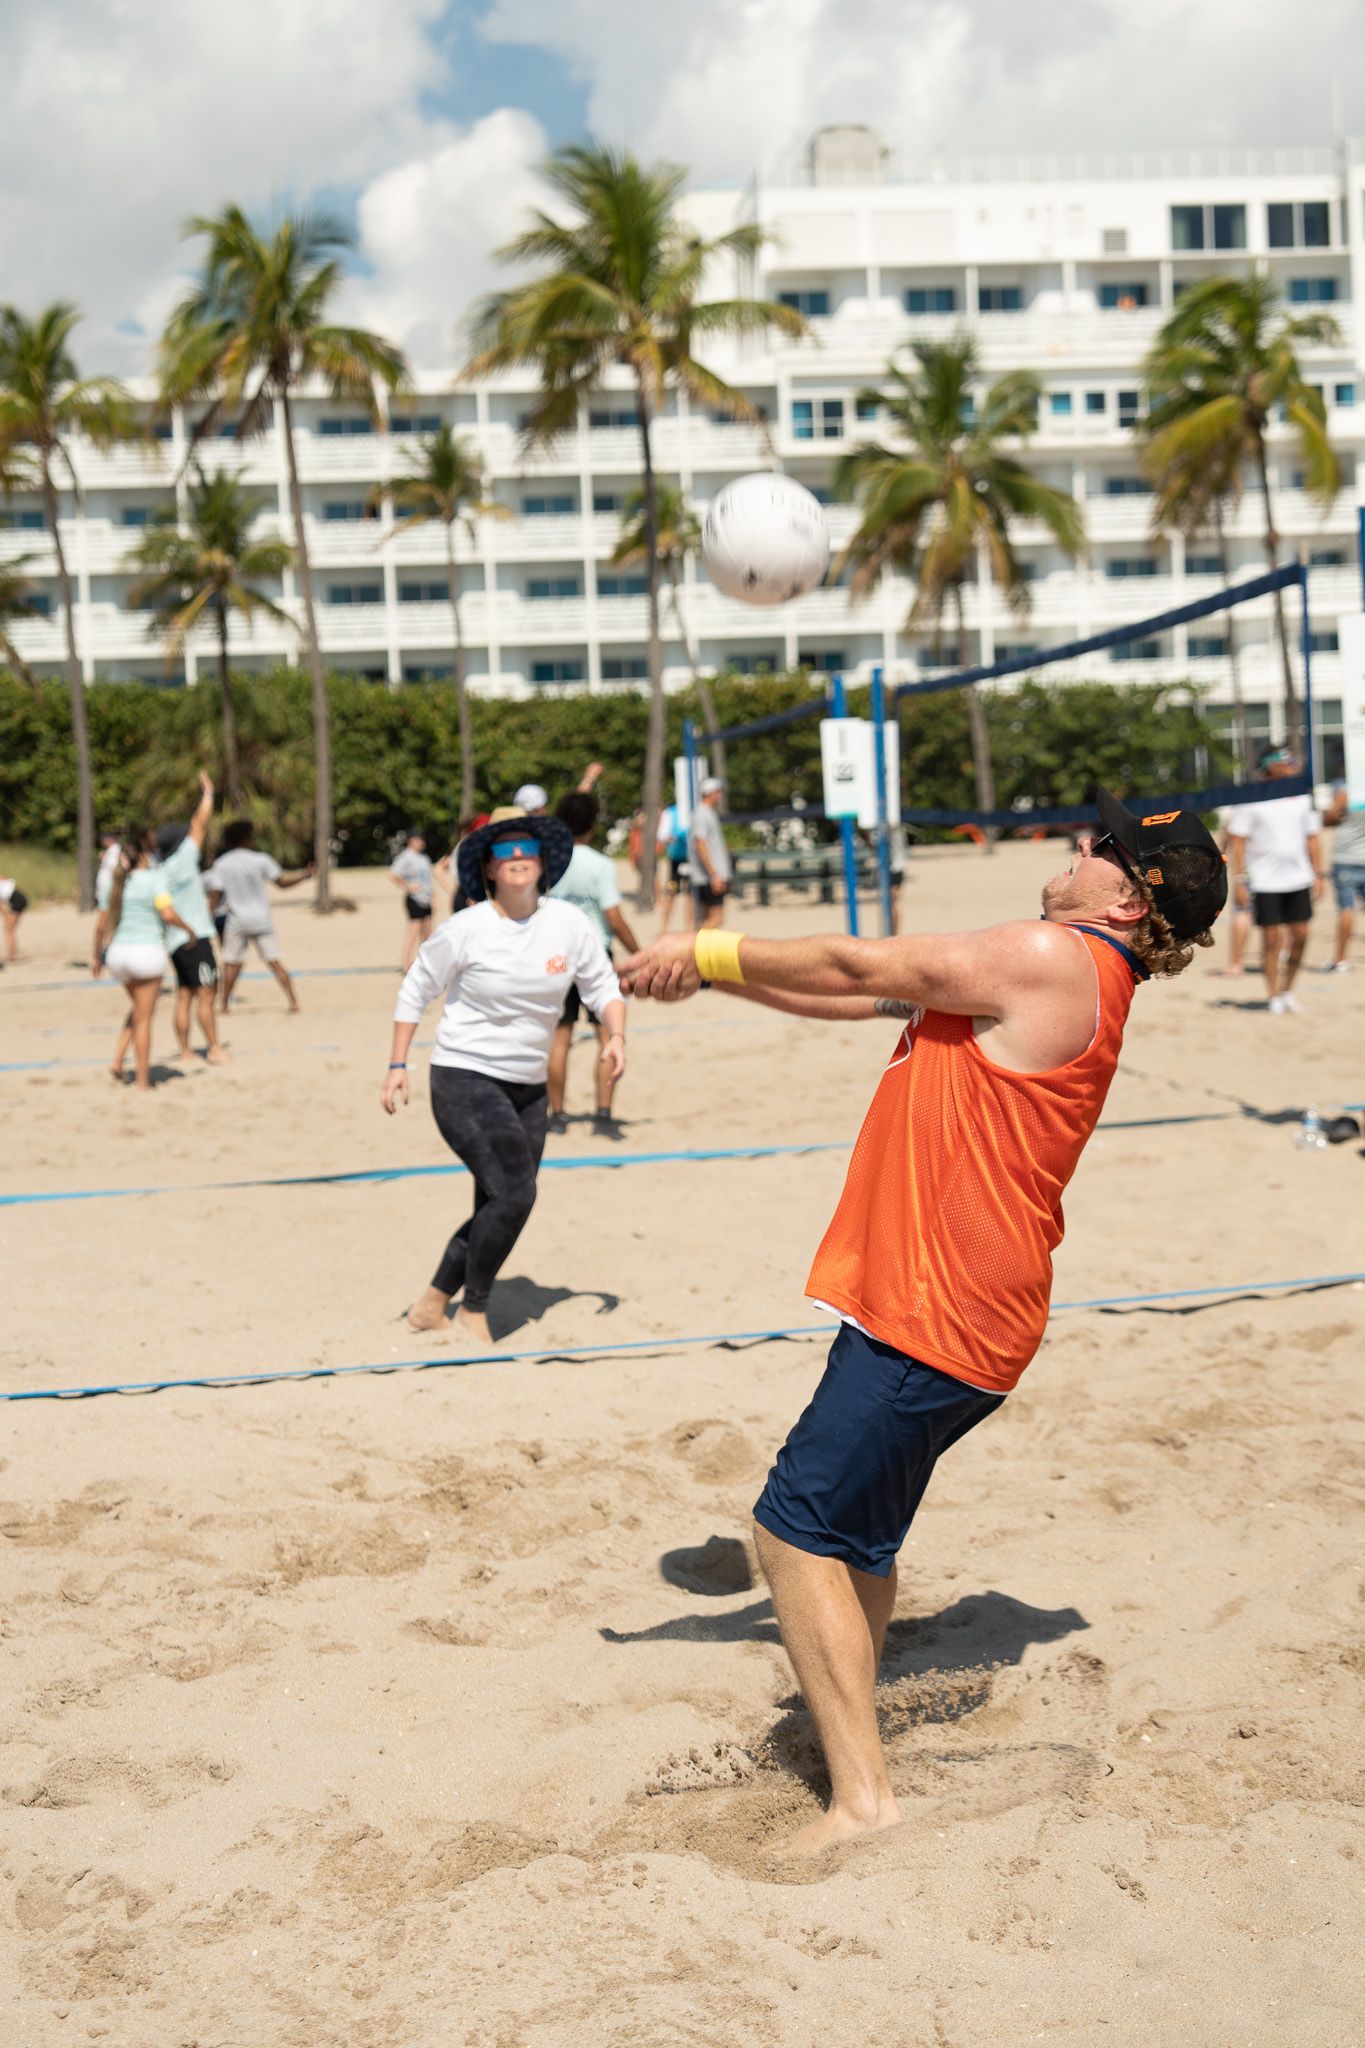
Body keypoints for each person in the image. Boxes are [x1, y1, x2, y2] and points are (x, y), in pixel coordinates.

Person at [622, 788, 1226, 1857]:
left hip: (937, 1314)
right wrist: (710, 974)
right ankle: (852, 1735)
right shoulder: (1069, 968)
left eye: (1098, 849)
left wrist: (706, 943)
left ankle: (863, 1801)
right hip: (965, 1311)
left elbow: (862, 967)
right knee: (854, 1538)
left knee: (789, 1530)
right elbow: (864, 1000)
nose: (1074, 848)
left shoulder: (1053, 955)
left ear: (1131, 900)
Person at [381, 809, 626, 1347]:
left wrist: (615, 1033)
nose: (517, 859)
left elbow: (603, 984)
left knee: (498, 1198)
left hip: (527, 1086)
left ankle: (431, 1303)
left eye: (527, 851)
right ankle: (475, 1309)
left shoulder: (567, 923)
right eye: (504, 853)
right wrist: (398, 1065)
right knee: (515, 1194)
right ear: (488, 871)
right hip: (464, 1076)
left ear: (543, 865)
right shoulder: (466, 929)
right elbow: (415, 990)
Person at [547, 790, 641, 1137]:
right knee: (608, 1035)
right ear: (591, 824)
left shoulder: (549, 859)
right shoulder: (599, 864)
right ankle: (603, 1114)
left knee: (560, 1038)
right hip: (595, 955)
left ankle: (556, 1116)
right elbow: (613, 918)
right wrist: (637, 952)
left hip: (555, 956)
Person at [92, 831, 196, 1089]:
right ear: (143, 856)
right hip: (147, 954)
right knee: (145, 1019)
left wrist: (97, 958)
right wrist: (189, 929)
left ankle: (117, 1061)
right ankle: (142, 1081)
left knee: (139, 1010)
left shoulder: (114, 883)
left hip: (118, 956)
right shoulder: (154, 879)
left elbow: (100, 926)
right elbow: (168, 913)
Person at [1224, 750, 1324, 1014]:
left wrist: (1319, 874)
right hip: (1265, 880)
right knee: (1271, 938)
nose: (1292, 766)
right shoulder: (1252, 798)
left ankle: (1288, 989)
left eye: (1294, 761)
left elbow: (1312, 837)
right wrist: (1240, 880)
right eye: (1286, 762)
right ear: (1270, 768)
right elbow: (1238, 842)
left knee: (1301, 934)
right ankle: (1273, 995)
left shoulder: (1302, 796)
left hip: (1298, 877)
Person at [155, 772, 227, 1066]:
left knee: (184, 994)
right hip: (195, 936)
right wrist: (208, 794)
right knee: (207, 994)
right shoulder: (183, 858)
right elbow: (200, 823)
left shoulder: (159, 870)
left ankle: (185, 1050)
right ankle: (214, 1048)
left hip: (173, 941)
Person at [205, 821, 313, 1013]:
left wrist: (207, 915)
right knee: (274, 961)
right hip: (262, 919)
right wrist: (303, 876)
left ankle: (224, 1004)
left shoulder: (222, 863)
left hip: (236, 920)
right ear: (247, 838)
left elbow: (216, 894)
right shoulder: (261, 860)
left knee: (231, 963)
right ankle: (293, 1001)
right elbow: (281, 883)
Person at [1323, 780, 1365, 972]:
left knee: (1346, 910)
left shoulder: (1347, 793)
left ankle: (1341, 959)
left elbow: (1327, 820)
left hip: (1346, 858)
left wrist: (1335, 808)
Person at [688, 776, 730, 930]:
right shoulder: (702, 813)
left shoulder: (706, 813)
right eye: (718, 791)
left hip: (708, 875)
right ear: (710, 793)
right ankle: (691, 947)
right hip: (708, 876)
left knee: (706, 917)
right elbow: (700, 844)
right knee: (717, 918)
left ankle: (696, 950)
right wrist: (714, 875)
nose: (720, 795)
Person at [390, 829, 434, 971]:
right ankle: (405, 966)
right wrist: (407, 886)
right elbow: (393, 874)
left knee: (427, 935)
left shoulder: (424, 858)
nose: (422, 842)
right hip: (414, 899)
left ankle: (423, 965)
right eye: (419, 839)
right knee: (413, 934)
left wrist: (433, 897)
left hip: (426, 899)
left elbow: (428, 880)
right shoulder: (406, 857)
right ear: (411, 841)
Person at [655, 798, 693, 937]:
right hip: (677, 859)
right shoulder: (670, 812)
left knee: (690, 895)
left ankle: (689, 929)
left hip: (691, 859)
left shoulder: (693, 809)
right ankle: (664, 927)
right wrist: (672, 837)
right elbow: (662, 834)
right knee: (671, 892)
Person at [0, 874, 28, 963]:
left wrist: (6, 916)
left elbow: (2, 907)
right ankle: (11, 955)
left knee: (9, 929)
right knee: (10, 929)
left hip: (18, 900)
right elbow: (4, 878)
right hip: (19, 897)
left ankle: (11, 957)